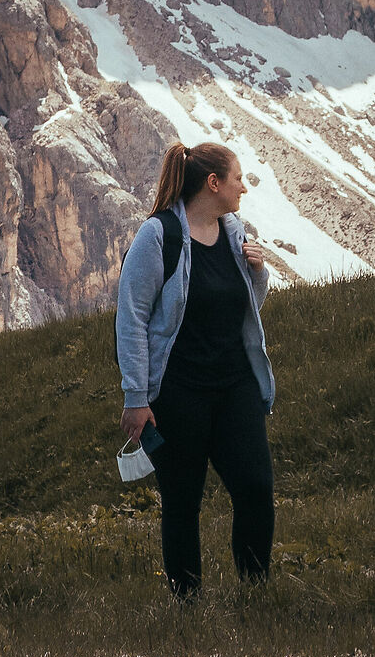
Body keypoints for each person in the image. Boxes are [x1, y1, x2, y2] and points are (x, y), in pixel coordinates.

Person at [115, 140, 276, 598]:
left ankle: (255, 592)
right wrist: (136, 398)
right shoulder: (158, 235)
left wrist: (258, 273)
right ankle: (187, 605)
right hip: (179, 392)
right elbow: (132, 317)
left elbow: (246, 306)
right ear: (213, 183)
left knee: (255, 487)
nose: (244, 187)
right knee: (182, 501)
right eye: (238, 178)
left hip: (235, 386)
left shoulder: (234, 231)